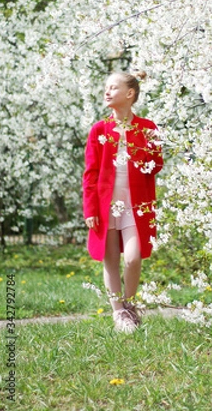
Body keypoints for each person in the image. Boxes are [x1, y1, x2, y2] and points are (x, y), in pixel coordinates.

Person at [82, 71, 163, 333]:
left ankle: (129, 305)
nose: (107, 92)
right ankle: (119, 314)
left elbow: (156, 165)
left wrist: (147, 145)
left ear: (130, 94)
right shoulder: (99, 130)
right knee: (109, 259)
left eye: (113, 88)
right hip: (106, 205)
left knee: (133, 257)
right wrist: (90, 208)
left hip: (136, 204)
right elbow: (90, 173)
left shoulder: (148, 127)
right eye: (106, 87)